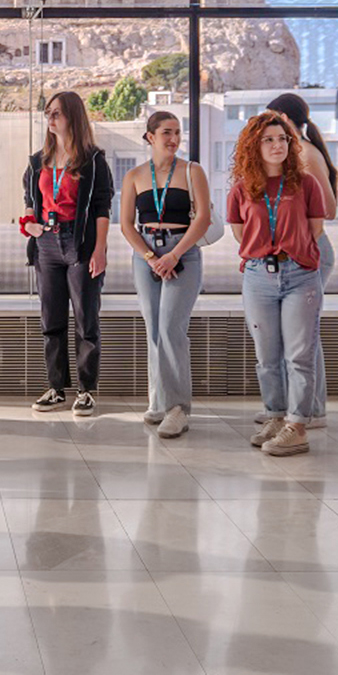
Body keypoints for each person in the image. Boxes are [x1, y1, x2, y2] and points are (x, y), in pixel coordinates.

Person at [226, 110, 327, 457]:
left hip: (299, 275)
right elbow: (241, 234)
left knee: (299, 355)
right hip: (257, 276)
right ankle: (275, 414)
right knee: (267, 356)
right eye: (268, 139)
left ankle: (297, 425)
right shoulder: (241, 189)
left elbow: (315, 230)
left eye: (282, 139)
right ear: (254, 145)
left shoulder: (306, 183)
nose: (277, 145)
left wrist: (288, 249)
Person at [117, 111, 210, 437]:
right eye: (166, 132)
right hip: (146, 255)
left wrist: (172, 254)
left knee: (172, 328)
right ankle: (158, 401)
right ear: (150, 137)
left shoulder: (191, 171)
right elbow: (127, 224)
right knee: (155, 329)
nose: (173, 139)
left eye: (177, 133)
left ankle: (177, 409)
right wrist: (150, 256)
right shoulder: (134, 176)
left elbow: (203, 220)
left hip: (182, 253)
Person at [21, 91, 113, 418]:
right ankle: (56, 387)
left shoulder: (92, 161)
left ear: (72, 117)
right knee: (52, 319)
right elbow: (30, 202)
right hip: (46, 243)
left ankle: (87, 391)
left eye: (57, 113)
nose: (51, 118)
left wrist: (100, 250)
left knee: (86, 320)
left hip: (81, 243)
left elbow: (102, 208)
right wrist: (29, 223)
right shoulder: (38, 162)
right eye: (48, 113)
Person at [265, 92, 338, 428]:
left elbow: (330, 208)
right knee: (294, 335)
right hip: (297, 253)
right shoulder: (293, 153)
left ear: (282, 115)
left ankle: (311, 411)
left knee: (303, 336)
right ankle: (293, 408)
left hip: (311, 253)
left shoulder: (305, 153)